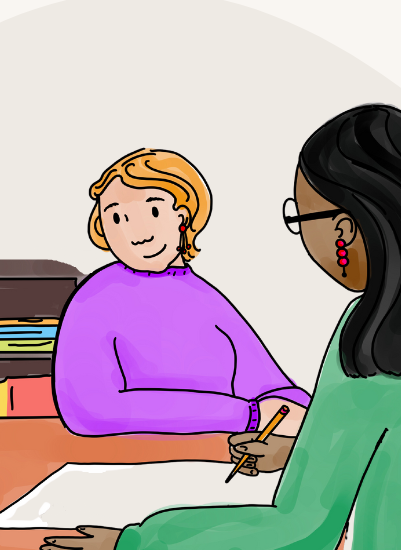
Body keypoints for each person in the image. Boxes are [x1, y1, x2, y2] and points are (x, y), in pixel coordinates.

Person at [42, 105, 401, 550]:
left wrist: (138, 541)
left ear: (345, 229)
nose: (135, 228)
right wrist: (305, 454)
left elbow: (304, 530)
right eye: (116, 215)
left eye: (300, 216)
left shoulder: (367, 337)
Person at [52, 148, 310, 437]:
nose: (135, 231)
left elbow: (272, 390)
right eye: (116, 218)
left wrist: (305, 413)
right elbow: (91, 411)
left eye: (152, 211)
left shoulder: (207, 300)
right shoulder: (93, 300)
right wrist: (245, 416)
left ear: (183, 216)